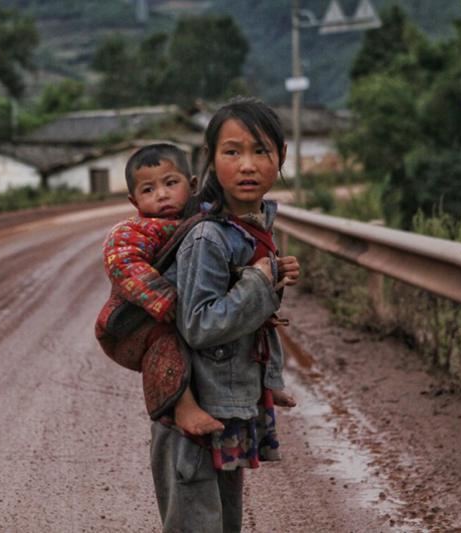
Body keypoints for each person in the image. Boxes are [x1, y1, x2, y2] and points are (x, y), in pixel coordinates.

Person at [150, 96, 299, 532]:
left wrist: (270, 382)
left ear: (281, 158)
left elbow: (251, 322)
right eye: (232, 152)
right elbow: (199, 325)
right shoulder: (208, 237)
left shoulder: (251, 228)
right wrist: (257, 281)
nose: (247, 165)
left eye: (261, 151)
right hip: (192, 418)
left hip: (225, 407)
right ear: (212, 162)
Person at [95, 143, 225, 435]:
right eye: (148, 190)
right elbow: (122, 264)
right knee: (164, 343)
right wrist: (162, 299)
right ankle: (183, 407)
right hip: (136, 323)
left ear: (191, 185)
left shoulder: (204, 220)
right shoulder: (133, 232)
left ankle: (266, 385)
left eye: (170, 183)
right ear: (134, 200)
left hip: (186, 311)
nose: (162, 195)